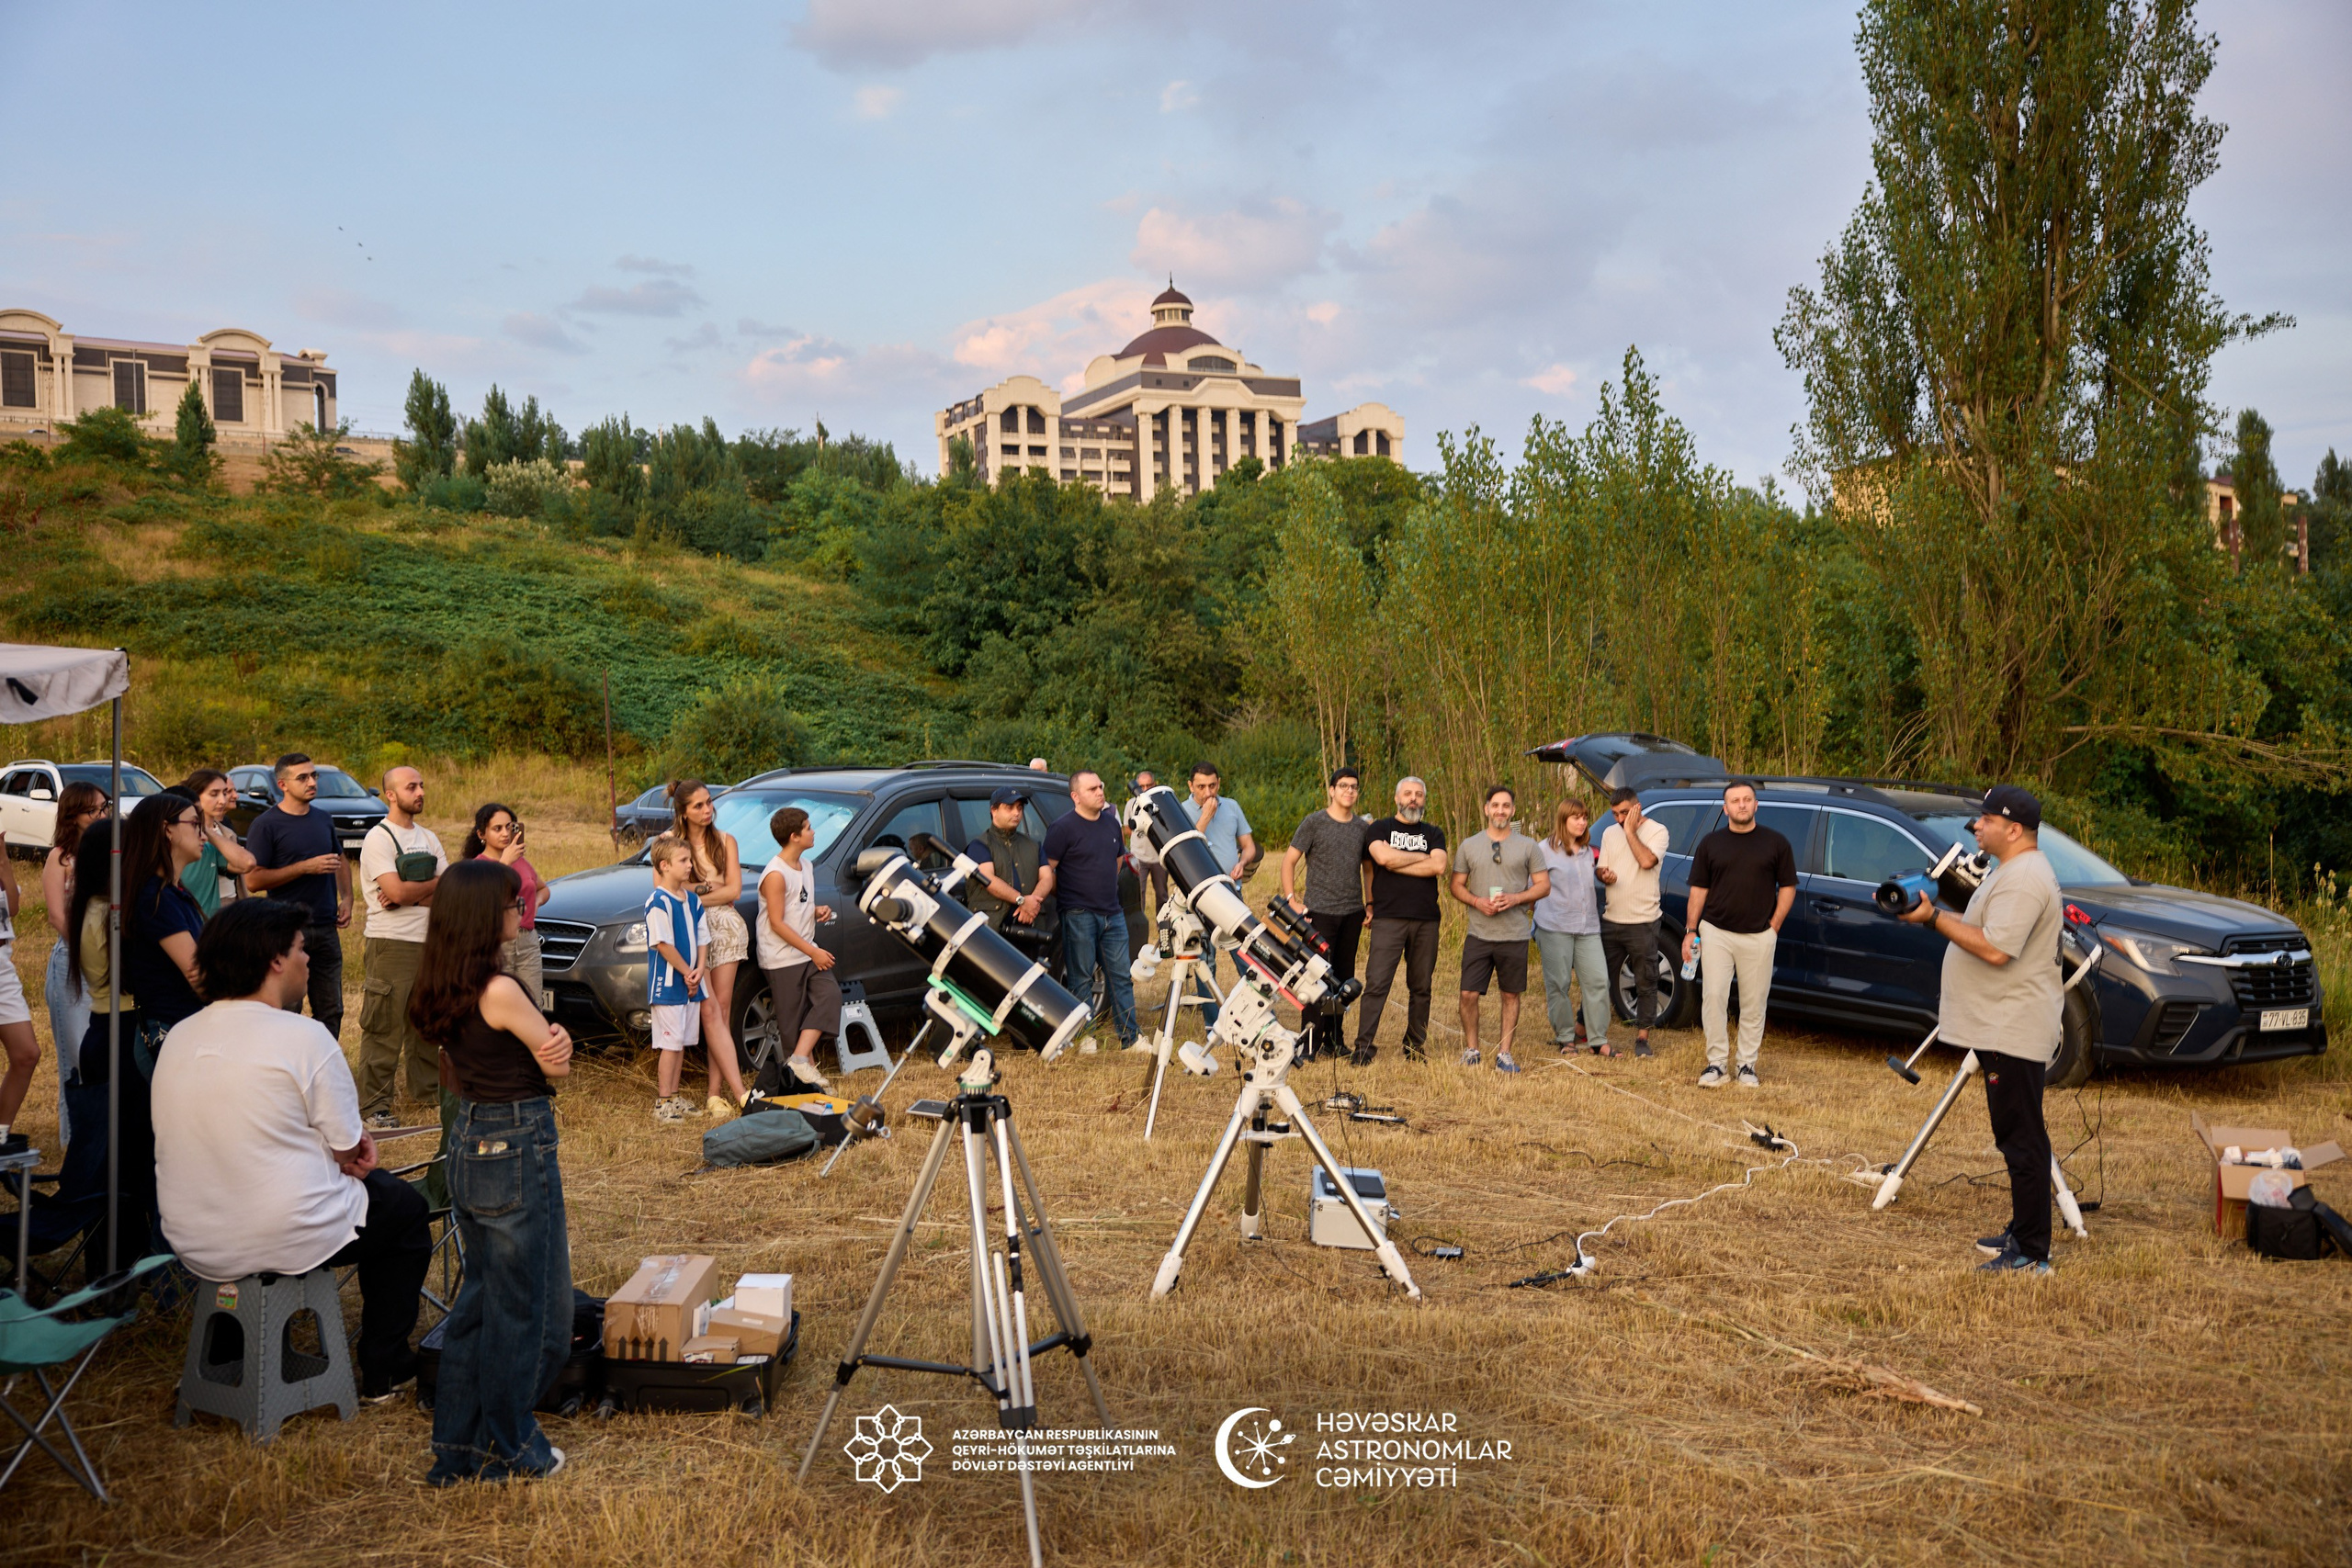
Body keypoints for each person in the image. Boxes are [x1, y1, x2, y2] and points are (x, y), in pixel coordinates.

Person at [153, 899, 433, 1399]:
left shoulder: (179, 1036)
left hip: (192, 1235)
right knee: (405, 1210)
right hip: (278, 1232)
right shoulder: (304, 1036)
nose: (309, 959)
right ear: (275, 961)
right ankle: (384, 1365)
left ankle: (226, 1352)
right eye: (302, 949)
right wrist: (353, 1153)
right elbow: (349, 1148)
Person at [407, 858, 575, 1483]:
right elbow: (556, 1061)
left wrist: (551, 1040)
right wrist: (557, 1037)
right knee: (526, 1312)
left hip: (472, 1135)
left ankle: (456, 1449)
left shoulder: (442, 978)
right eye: (511, 905)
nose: (520, 912)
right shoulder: (500, 988)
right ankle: (509, 1447)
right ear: (484, 916)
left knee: (481, 1305)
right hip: (514, 1138)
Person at [1898, 785, 2065, 1274]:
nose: (1977, 826)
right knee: (2018, 1133)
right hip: (2001, 1025)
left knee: (2022, 1138)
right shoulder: (2016, 871)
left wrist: (1933, 919)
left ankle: (2032, 1252)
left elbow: (1995, 949)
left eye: (1986, 820)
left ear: (2013, 829)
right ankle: (2023, 1228)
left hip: (2012, 1027)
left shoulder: (2025, 878)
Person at [1683, 781, 1798, 1089]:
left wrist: (1774, 926)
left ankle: (1747, 1065)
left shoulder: (1776, 843)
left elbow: (1788, 887)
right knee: (1714, 997)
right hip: (1715, 931)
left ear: (1756, 805)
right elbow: (1698, 890)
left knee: (1754, 1002)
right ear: (1726, 808)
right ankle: (1716, 1065)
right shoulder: (1710, 844)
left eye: (1747, 799)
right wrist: (1691, 930)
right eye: (1735, 801)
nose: (1742, 805)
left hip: (1759, 935)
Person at [356, 766, 448, 1128]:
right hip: (390, 945)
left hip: (430, 943)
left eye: (422, 785)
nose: (421, 791)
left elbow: (449, 891)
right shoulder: (378, 838)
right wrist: (425, 888)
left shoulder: (429, 837)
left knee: (426, 1025)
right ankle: (374, 1106)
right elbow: (392, 893)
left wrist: (409, 894)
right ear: (391, 795)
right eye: (412, 786)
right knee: (384, 1027)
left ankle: (426, 1095)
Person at [242, 753, 353, 1042]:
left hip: (327, 928)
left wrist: (348, 898)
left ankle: (323, 1071)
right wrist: (305, 867)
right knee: (287, 1010)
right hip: (287, 931)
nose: (312, 782)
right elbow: (253, 880)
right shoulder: (266, 825)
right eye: (302, 778)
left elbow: (340, 858)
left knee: (331, 1010)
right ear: (283, 785)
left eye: (314, 775)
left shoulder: (323, 818)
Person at [1026, 770, 1138, 1051]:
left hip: (1112, 912)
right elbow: (1048, 871)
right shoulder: (1062, 828)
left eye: (1100, 786)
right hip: (1078, 914)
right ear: (1075, 796)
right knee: (1081, 977)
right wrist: (1070, 897)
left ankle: (1131, 1038)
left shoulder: (1111, 824)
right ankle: (1084, 1037)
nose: (1100, 792)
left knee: (1121, 976)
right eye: (1092, 789)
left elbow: (1116, 862)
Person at [1448, 784, 1549, 1073]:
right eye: (1495, 805)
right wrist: (1477, 901)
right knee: (1467, 994)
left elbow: (1544, 885)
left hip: (1514, 934)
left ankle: (1505, 1054)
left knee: (1510, 995)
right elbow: (1455, 885)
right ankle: (1472, 1050)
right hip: (1479, 933)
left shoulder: (1528, 846)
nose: (1500, 811)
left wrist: (1517, 897)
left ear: (1513, 811)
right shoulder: (1469, 845)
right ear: (1486, 809)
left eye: (1506, 806)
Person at [1351, 776, 1449, 1065]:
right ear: (1397, 798)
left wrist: (1399, 858)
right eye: (1408, 793)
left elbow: (1440, 865)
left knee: (1421, 987)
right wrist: (1421, 857)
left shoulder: (1434, 832)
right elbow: (1383, 859)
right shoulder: (1380, 827)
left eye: (1419, 794)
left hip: (1426, 920)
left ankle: (1415, 1046)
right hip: (1388, 918)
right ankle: (1363, 1049)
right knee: (1377, 984)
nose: (1413, 799)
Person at [668, 780, 750, 1118]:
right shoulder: (669, 844)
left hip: (727, 928)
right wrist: (707, 888)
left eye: (709, 802)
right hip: (690, 929)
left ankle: (715, 1093)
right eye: (698, 806)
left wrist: (695, 890)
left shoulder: (725, 841)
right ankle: (720, 1089)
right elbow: (668, 889)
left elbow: (734, 891)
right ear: (683, 812)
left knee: (723, 1007)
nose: (707, 810)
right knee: (705, 1008)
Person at [1282, 768, 1371, 1058]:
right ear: (1331, 790)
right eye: (1343, 786)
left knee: (1343, 979)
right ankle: (1309, 1042)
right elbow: (1289, 861)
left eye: (1354, 787)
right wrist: (1292, 900)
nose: (1349, 791)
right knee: (1315, 978)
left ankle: (1335, 1040)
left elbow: (1368, 869)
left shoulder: (1362, 828)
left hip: (1352, 913)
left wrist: (1370, 904)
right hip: (1319, 913)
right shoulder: (1314, 823)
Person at [38, 781, 107, 1143]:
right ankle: (74, 1140)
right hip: (72, 961)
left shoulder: (110, 853)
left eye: (104, 806)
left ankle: (101, 1137)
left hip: (109, 959)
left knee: (103, 1053)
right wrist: (86, 955)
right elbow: (55, 915)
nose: (101, 814)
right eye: (93, 809)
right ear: (73, 814)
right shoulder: (61, 857)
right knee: (76, 1054)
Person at [755, 807, 840, 1093]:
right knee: (791, 1026)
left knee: (830, 995)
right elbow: (776, 923)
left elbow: (796, 907)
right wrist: (814, 951)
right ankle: (808, 1081)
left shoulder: (807, 866)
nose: (813, 831)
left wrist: (815, 911)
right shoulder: (775, 875)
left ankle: (801, 1061)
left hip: (806, 952)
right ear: (794, 836)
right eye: (808, 828)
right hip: (781, 958)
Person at [1178, 761, 1258, 1027]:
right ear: (1191, 786)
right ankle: (1213, 1023)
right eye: (1201, 787)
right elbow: (1185, 849)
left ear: (1219, 783)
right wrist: (1205, 817)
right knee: (1205, 961)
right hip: (1200, 895)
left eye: (1212, 785)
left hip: (1231, 890)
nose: (1208, 792)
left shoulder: (1232, 806)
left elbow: (1248, 846)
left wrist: (1243, 861)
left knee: (1246, 955)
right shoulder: (1180, 811)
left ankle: (1253, 1016)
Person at [1533, 800, 1612, 1057]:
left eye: (1584, 817)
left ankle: (1597, 1039)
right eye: (1575, 817)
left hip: (1588, 926)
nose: (1582, 822)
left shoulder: (1590, 851)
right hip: (1554, 926)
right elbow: (1531, 887)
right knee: (1559, 984)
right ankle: (1566, 1038)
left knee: (1599, 980)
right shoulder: (1543, 850)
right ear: (1563, 819)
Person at [1597, 788, 1671, 1058]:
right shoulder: (1608, 833)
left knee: (1646, 979)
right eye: (1614, 813)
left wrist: (1629, 831)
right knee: (1598, 977)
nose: (1618, 819)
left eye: (1624, 813)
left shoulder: (1657, 832)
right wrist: (1603, 874)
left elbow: (1646, 861)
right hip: (1611, 918)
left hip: (1643, 920)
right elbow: (1601, 866)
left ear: (1638, 808)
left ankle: (1642, 1038)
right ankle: (1584, 1029)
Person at [643, 833, 710, 1122]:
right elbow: (663, 944)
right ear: (664, 866)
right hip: (670, 984)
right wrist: (686, 973)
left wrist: (699, 971)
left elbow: (704, 939)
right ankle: (662, 1102)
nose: (689, 865)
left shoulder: (693, 901)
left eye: (689, 859)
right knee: (670, 1043)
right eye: (683, 861)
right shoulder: (658, 902)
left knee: (681, 1041)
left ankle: (674, 1096)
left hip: (691, 985)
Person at [462, 802, 549, 1001]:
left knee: (532, 1004)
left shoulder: (521, 861)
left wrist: (534, 903)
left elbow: (543, 888)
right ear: (481, 834)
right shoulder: (476, 867)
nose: (505, 833)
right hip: (495, 942)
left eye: (509, 827)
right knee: (499, 1004)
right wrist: (505, 863)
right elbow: (482, 900)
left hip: (527, 941)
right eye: (497, 828)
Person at [176, 769, 258, 918]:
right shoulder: (182, 838)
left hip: (230, 908)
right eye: (214, 794)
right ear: (195, 795)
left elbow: (247, 864)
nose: (223, 800)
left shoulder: (227, 832)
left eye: (225, 793)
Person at [963, 786, 1043, 938]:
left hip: (1030, 928)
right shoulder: (980, 845)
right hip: (992, 931)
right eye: (1009, 807)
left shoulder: (1033, 845)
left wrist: (1032, 904)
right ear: (994, 810)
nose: (1016, 813)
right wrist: (1021, 900)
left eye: (1020, 808)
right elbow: (987, 879)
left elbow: (1047, 877)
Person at [0, 846, 34, 1150]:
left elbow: (11, 909)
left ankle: (0, 1133)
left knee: (27, 1054)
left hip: (2, 967)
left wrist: (4, 862)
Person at [1125, 771, 1170, 916]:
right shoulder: (1130, 804)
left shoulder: (1162, 804)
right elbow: (1127, 829)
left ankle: (1162, 925)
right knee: (1138, 894)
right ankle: (1139, 924)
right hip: (1139, 856)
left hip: (1159, 856)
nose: (1144, 789)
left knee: (1162, 894)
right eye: (1141, 786)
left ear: (1155, 784)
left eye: (1148, 785)